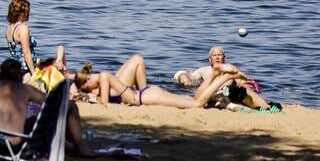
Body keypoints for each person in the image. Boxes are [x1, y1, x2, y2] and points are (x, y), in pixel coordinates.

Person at [0, 59, 90, 156]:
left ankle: (72, 140)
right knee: (70, 106)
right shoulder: (25, 89)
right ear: (18, 75)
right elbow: (53, 102)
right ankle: (80, 146)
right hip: (11, 144)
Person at [73, 55, 236, 109]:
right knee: (194, 100)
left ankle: (220, 75)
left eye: (86, 88)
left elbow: (105, 104)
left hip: (146, 97)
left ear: (87, 79)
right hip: (146, 93)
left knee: (196, 104)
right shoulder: (104, 79)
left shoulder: (103, 77)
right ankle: (217, 84)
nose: (88, 90)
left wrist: (91, 98)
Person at [174, 46, 274, 111]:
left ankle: (266, 108)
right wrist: (185, 80)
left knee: (246, 91)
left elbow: (244, 82)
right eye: (214, 55)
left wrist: (246, 84)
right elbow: (185, 75)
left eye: (219, 55)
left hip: (226, 94)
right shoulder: (204, 70)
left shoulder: (232, 70)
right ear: (210, 59)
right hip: (209, 94)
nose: (217, 57)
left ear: (224, 58)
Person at [4, 0, 66, 78]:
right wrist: (34, 73)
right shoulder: (23, 28)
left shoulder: (9, 28)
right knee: (60, 49)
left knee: (59, 51)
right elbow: (26, 51)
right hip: (28, 67)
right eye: (27, 11)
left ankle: (60, 64)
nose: (29, 13)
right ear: (21, 12)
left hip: (16, 67)